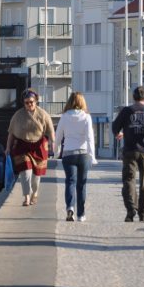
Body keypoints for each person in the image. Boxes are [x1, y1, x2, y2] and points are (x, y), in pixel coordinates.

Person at [112, 85, 144, 222]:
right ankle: (143, 213)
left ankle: (131, 210)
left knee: (129, 181)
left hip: (129, 150)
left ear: (134, 97)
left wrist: (118, 133)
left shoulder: (127, 111)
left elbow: (115, 126)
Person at [6, 88, 55, 207]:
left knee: (36, 175)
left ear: (36, 101)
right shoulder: (18, 115)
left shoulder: (43, 114)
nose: (29, 104)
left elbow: (51, 132)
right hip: (22, 146)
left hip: (39, 145)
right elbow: (11, 133)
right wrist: (8, 148)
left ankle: (35, 192)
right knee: (25, 172)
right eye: (27, 102)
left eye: (31, 102)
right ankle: (27, 197)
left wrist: (53, 145)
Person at [54, 91, 97, 222]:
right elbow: (90, 137)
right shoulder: (86, 117)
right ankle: (81, 214)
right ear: (82, 102)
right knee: (81, 184)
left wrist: (56, 151)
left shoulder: (65, 116)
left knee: (70, 182)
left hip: (68, 153)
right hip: (83, 154)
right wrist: (92, 156)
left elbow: (58, 137)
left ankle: (70, 208)